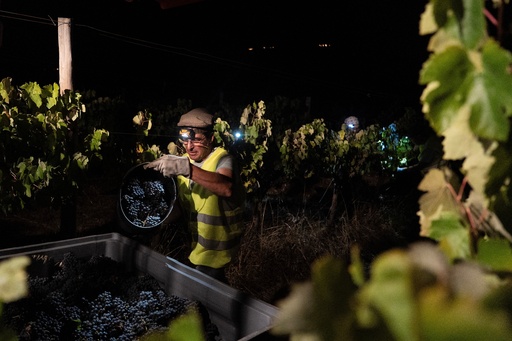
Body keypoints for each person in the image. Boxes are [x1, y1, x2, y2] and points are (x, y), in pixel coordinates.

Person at [144, 108, 245, 283]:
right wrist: (154, 217)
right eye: (185, 140)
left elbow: (225, 187)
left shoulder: (223, 159)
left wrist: (187, 170)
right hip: (196, 250)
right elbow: (182, 208)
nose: (189, 147)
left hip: (217, 255)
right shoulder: (184, 161)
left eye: (197, 140)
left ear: (211, 138)